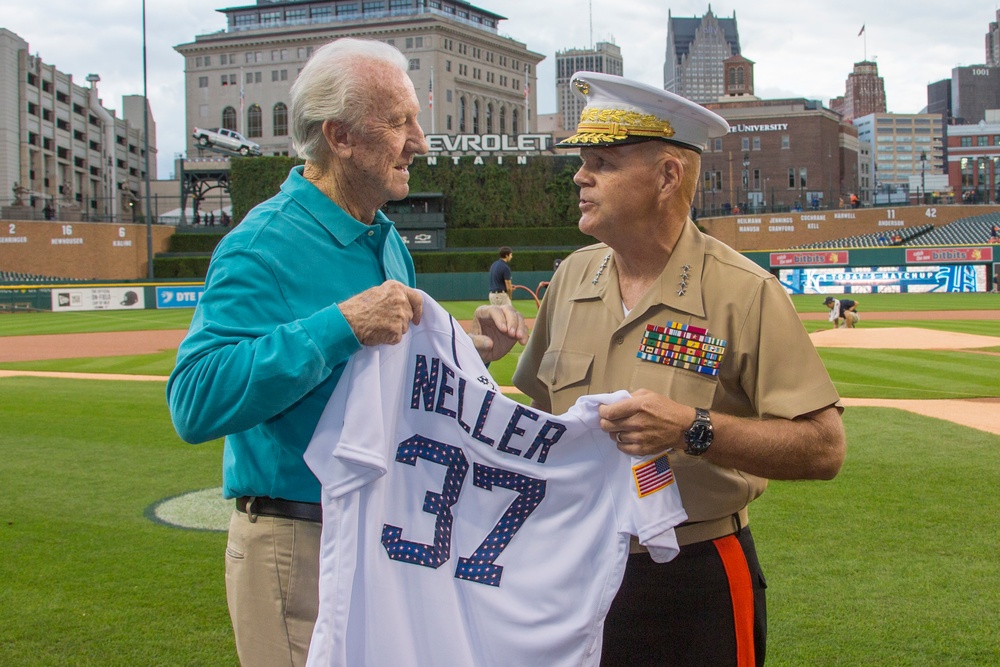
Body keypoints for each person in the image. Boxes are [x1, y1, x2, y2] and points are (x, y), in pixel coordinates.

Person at [166, 38, 527, 667]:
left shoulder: (386, 240)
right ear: (340, 137)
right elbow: (194, 401)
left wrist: (473, 352)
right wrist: (342, 326)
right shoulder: (261, 245)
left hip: (383, 536)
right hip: (298, 541)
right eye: (399, 122)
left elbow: (391, 375)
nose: (420, 140)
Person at [512, 72, 846, 667]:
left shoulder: (743, 293)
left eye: (604, 162)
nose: (580, 176)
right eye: (583, 160)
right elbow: (535, 417)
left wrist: (695, 428)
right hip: (571, 568)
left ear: (668, 176)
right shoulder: (569, 280)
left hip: (694, 577)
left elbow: (823, 448)